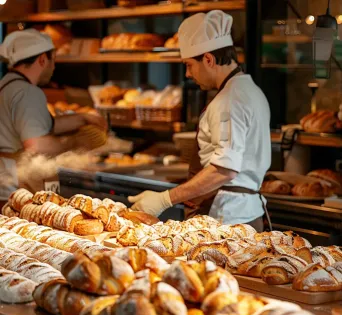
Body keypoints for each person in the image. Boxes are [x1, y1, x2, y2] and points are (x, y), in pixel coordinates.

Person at [128, 10, 272, 231]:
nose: (187, 74)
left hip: (228, 219)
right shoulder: (250, 90)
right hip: (245, 213)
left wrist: (165, 199)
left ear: (208, 59)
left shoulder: (229, 100)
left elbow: (224, 169)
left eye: (188, 65)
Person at [0, 29, 107, 204]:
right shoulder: (28, 93)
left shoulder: (7, 86)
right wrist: (76, 143)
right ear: (43, 59)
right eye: (53, 60)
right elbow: (38, 145)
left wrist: (82, 118)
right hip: (16, 184)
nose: (54, 67)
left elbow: (37, 126)